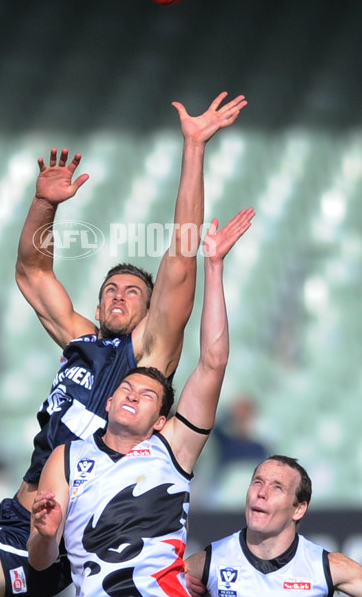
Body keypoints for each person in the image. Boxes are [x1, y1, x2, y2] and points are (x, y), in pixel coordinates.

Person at [0, 91, 248, 597]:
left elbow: (180, 257)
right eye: (110, 287)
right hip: (13, 514)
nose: (118, 294)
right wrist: (44, 204)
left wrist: (193, 148)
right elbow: (31, 270)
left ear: (151, 312)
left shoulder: (148, 357)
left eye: (134, 292)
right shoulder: (81, 339)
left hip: (51, 534)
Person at [27, 211, 255, 597]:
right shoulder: (66, 459)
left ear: (161, 421)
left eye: (148, 395)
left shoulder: (172, 451)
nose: (133, 394)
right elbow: (40, 559)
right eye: (128, 388)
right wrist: (46, 536)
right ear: (110, 400)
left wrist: (213, 268)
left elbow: (213, 362)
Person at [185, 455, 362, 597]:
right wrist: (171, 583)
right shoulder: (210, 561)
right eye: (257, 482)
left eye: (277, 487)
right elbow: (149, 584)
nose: (262, 493)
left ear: (299, 508)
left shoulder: (326, 567)